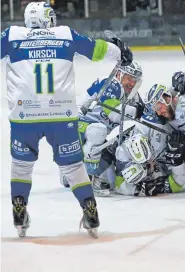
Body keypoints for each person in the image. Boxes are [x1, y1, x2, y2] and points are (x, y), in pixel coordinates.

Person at [1, 1, 133, 237]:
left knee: (21, 166)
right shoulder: (65, 34)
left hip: (24, 117)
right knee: (72, 166)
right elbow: (96, 49)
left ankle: (19, 209)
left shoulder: (12, 35)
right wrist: (119, 50)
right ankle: (89, 209)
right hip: (61, 116)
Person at [66, 61, 144, 196]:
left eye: (135, 80)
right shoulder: (111, 84)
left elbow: (143, 112)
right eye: (129, 78)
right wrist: (136, 111)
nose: (132, 83)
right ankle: (88, 179)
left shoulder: (132, 95)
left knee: (111, 182)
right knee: (99, 130)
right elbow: (114, 114)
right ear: (119, 74)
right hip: (79, 127)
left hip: (93, 138)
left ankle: (74, 173)